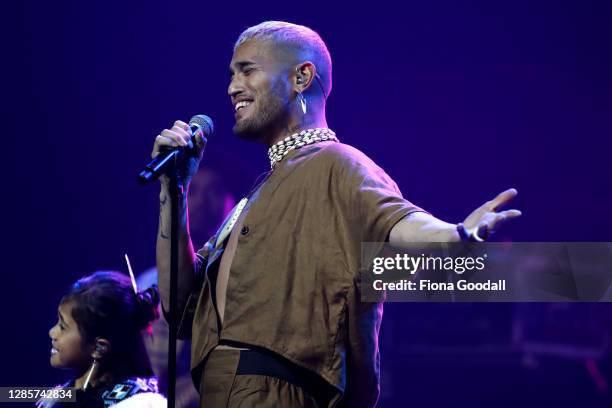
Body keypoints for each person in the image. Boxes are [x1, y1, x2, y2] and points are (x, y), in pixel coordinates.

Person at [151, 21, 521, 407]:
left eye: (247, 70)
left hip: (278, 392)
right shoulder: (258, 194)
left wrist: (456, 235)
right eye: (231, 75)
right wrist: (173, 190)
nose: (232, 88)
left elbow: (396, 220)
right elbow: (180, 306)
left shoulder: (338, 164)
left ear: (301, 76)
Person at [138, 165, 236, 408]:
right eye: (194, 191)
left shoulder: (242, 275)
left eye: (213, 190)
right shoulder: (151, 280)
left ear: (231, 200)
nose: (202, 200)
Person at [41, 271, 167, 407]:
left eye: (63, 327)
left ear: (98, 348)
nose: (52, 332)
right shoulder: (61, 397)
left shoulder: (135, 403)